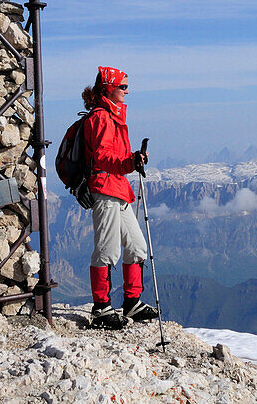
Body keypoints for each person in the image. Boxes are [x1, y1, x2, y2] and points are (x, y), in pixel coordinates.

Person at [81, 65, 159, 329]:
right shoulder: (101, 118)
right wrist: (129, 164)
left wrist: (132, 160)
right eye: (123, 87)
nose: (127, 91)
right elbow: (102, 157)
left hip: (118, 188)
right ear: (109, 89)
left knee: (137, 247)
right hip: (104, 189)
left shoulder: (113, 116)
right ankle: (101, 308)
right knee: (107, 250)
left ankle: (132, 302)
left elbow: (115, 157)